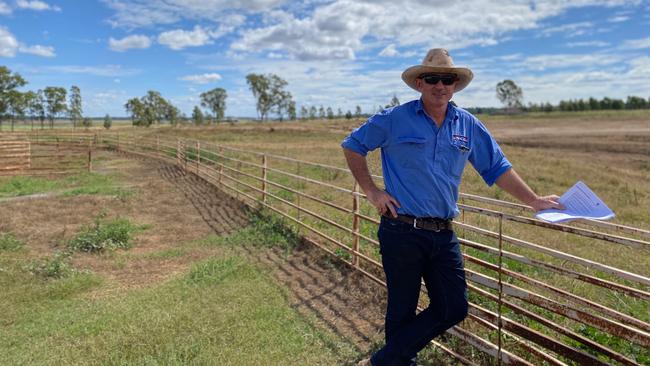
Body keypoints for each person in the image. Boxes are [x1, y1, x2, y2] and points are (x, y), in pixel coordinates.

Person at [342, 48, 563, 366]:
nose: (440, 85)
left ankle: (382, 361)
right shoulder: (394, 119)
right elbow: (353, 145)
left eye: (447, 79)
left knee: (453, 307)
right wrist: (372, 191)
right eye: (432, 78)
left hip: (442, 233)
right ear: (419, 82)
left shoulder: (468, 125)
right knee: (401, 308)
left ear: (455, 84)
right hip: (400, 228)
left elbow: (497, 167)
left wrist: (534, 200)